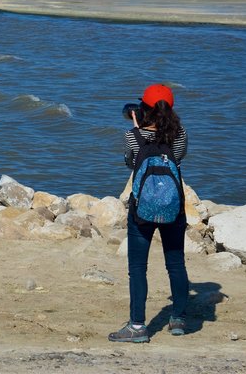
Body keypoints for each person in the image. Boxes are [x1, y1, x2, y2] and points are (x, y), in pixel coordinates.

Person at [109, 83, 190, 343]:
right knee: (175, 263)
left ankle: (137, 326)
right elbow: (179, 158)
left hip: (142, 207)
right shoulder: (180, 134)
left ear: (143, 108)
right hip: (173, 205)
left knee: (137, 267)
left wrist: (137, 130)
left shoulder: (132, 136)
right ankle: (177, 319)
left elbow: (131, 163)